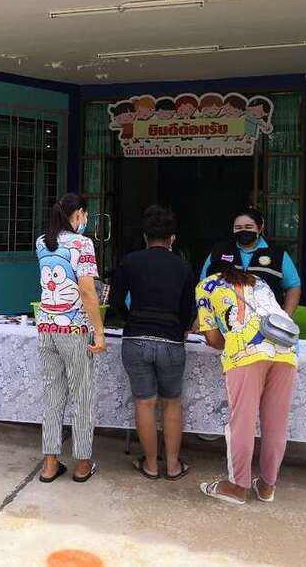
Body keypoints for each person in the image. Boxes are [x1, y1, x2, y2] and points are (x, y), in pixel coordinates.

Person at [196, 260, 298, 505]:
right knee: (276, 424)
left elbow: (213, 339)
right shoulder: (258, 281)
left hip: (246, 353)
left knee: (242, 422)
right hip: (286, 351)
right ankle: (267, 486)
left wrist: (222, 337)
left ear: (211, 272)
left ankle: (237, 487)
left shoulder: (206, 286)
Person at [112, 206, 195, 481]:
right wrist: (179, 328)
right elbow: (188, 310)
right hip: (170, 339)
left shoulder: (129, 262)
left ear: (145, 236)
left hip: (136, 338)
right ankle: (172, 466)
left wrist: (132, 319)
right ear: (172, 239)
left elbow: (115, 302)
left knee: (144, 403)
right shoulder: (183, 266)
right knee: (171, 403)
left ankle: (150, 464)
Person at [35, 193, 106, 484]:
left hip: (46, 327)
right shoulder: (82, 244)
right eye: (85, 214)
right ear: (78, 214)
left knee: (53, 396)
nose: (86, 220)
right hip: (75, 330)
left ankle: (50, 464)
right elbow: (87, 290)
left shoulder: (42, 242)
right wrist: (99, 331)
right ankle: (82, 463)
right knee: (82, 396)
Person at [201, 208, 302, 316]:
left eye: (248, 227)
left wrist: (285, 317)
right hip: (224, 318)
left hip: (266, 319)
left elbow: (293, 287)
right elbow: (204, 284)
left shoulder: (277, 254)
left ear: (260, 228)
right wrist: (202, 316)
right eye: (238, 228)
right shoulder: (219, 251)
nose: (243, 231)